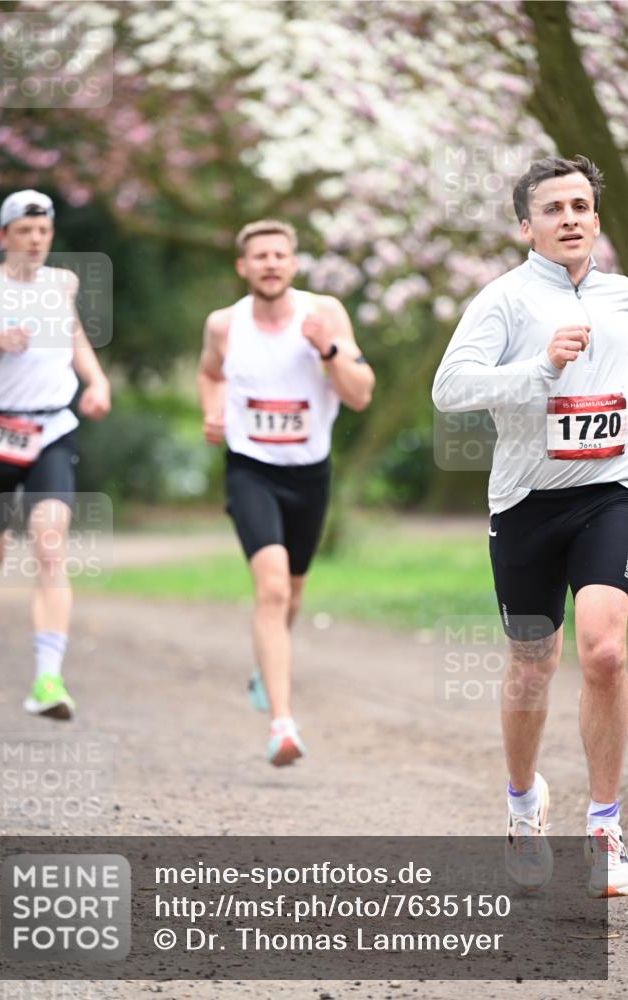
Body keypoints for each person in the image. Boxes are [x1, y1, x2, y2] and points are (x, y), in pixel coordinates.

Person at [432, 155, 628, 898]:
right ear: (526, 226)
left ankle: (605, 826)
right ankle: (521, 806)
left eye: (580, 206)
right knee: (530, 665)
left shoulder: (619, 298)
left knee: (605, 653)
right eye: (553, 208)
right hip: (524, 503)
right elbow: (449, 388)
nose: (570, 218)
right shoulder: (503, 301)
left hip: (608, 493)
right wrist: (537, 369)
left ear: (596, 219)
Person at [197, 219, 374, 766]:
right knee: (271, 588)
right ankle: (282, 723)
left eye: (280, 254)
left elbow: (361, 394)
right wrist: (211, 406)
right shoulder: (224, 325)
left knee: (292, 595)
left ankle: (263, 667)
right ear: (242, 267)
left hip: (309, 473)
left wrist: (329, 350)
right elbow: (210, 373)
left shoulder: (324, 315)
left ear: (293, 264)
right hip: (251, 469)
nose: (270, 263)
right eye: (260, 256)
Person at [0, 189, 111, 719]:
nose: (34, 241)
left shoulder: (61, 284)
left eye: (43, 232)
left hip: (51, 430)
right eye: (23, 231)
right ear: (3, 237)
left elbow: (72, 335)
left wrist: (95, 380)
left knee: (50, 546)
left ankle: (48, 680)